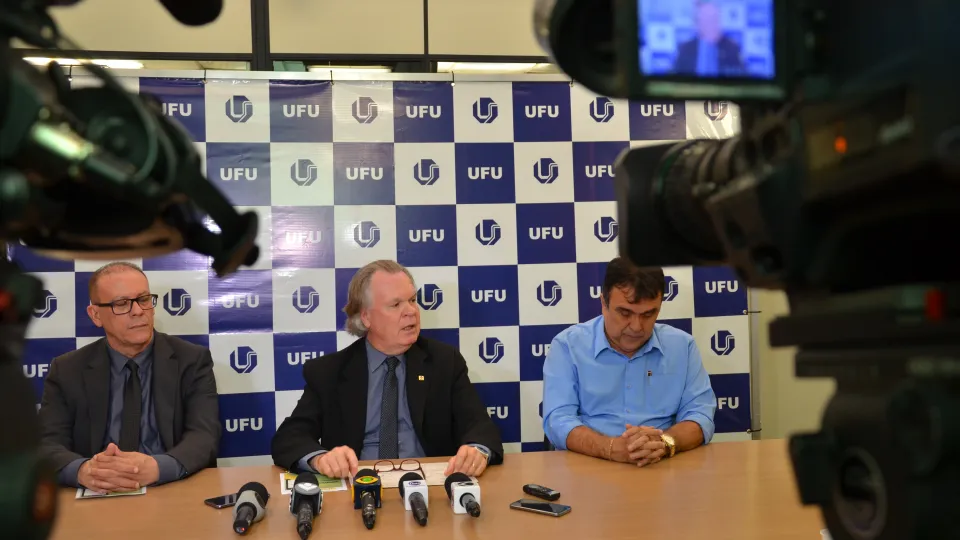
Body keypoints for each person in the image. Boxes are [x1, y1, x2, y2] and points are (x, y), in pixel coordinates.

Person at [272, 259, 503, 478]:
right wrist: (320, 459)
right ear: (366, 317)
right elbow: (289, 438)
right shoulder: (329, 372)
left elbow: (480, 427)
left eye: (412, 300)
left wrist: (476, 451)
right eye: (395, 304)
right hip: (359, 488)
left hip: (429, 488)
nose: (411, 311)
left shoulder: (444, 362)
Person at [38, 262, 220, 493]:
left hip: (170, 488)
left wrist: (157, 467)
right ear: (96, 315)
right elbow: (46, 443)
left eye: (143, 299)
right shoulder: (67, 370)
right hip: (97, 493)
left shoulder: (192, 361)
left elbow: (204, 435)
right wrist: (85, 470)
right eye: (122, 304)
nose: (137, 311)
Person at [542, 257, 716, 467]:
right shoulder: (567, 346)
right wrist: (610, 448)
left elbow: (701, 414)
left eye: (648, 314)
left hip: (662, 465)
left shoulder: (682, 346)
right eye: (625, 313)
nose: (636, 327)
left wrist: (666, 442)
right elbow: (558, 420)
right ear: (603, 303)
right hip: (589, 466)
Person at [673, 0, 745, 77]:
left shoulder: (732, 48)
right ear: (698, 25)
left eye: (715, 19)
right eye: (708, 20)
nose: (713, 25)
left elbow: (742, 78)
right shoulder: (685, 49)